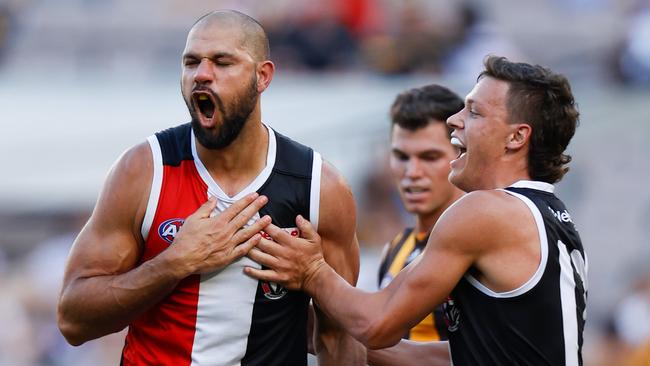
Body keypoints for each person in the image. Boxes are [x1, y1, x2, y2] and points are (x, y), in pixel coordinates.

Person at [56, 10, 364, 366]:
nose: (201, 74)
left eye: (222, 62)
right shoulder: (144, 170)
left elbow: (339, 335)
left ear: (262, 76)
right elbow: (72, 320)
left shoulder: (318, 186)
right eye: (191, 62)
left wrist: (314, 277)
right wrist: (172, 264)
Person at [246, 55, 586, 365]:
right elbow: (448, 357)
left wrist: (312, 272)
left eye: (475, 112)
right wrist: (282, 316)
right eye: (402, 156)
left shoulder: (486, 211)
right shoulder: (550, 216)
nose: (455, 120)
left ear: (516, 138)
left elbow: (377, 324)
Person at [376, 85, 464, 341]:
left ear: (461, 156)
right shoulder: (394, 248)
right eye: (401, 156)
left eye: (429, 157)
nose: (412, 172)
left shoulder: (484, 247)